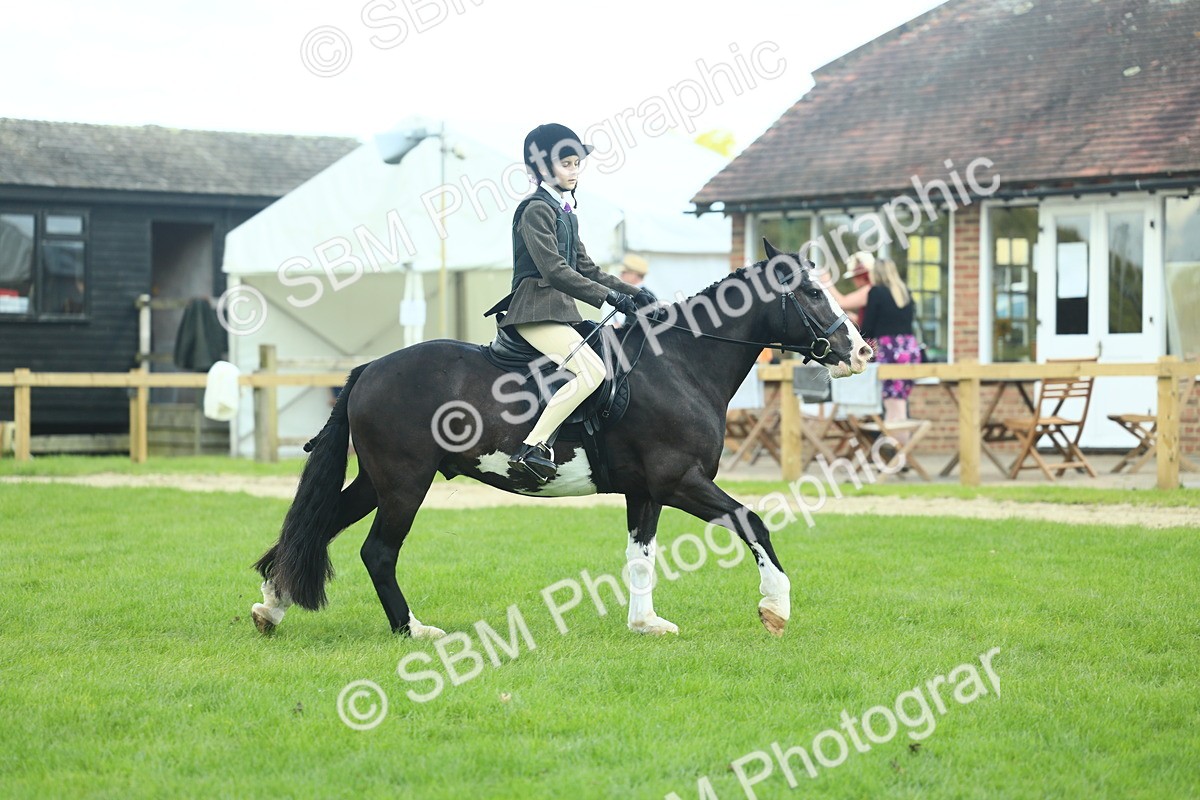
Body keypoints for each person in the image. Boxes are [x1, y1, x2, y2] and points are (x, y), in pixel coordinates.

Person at [493, 123, 659, 482]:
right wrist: (609, 298)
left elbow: (585, 268)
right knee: (593, 372)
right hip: (534, 311)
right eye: (566, 164)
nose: (574, 171)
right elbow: (554, 270)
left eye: (576, 164)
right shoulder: (535, 210)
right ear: (541, 169)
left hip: (558, 313)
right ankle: (532, 447)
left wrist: (632, 293)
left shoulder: (567, 213)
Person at [823, 254, 921, 435]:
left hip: (889, 350)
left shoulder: (875, 292)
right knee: (899, 402)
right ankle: (901, 452)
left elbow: (869, 328)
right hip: (909, 349)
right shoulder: (904, 292)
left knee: (892, 405)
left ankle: (896, 456)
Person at [601, 253, 652, 326]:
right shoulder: (619, 293)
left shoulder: (646, 298)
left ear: (634, 274)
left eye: (624, 272)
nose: (621, 275)